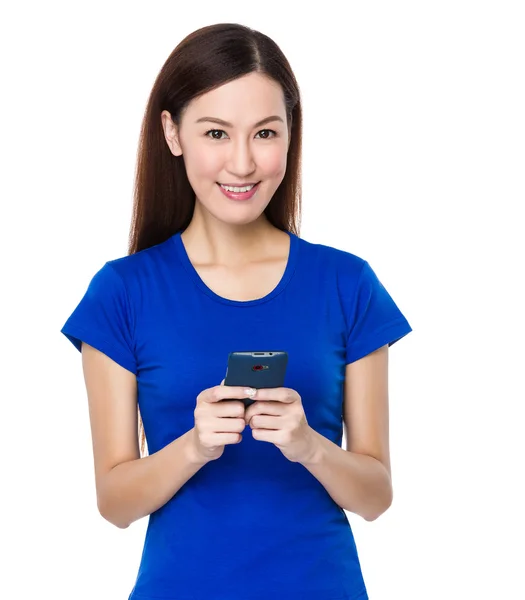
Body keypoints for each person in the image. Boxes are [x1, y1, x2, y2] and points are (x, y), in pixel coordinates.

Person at [60, 22, 412, 600]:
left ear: (290, 136)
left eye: (265, 132)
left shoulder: (347, 284)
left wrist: (310, 447)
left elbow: (376, 496)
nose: (243, 163)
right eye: (217, 132)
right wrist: (194, 446)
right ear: (173, 134)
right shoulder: (122, 292)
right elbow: (114, 503)